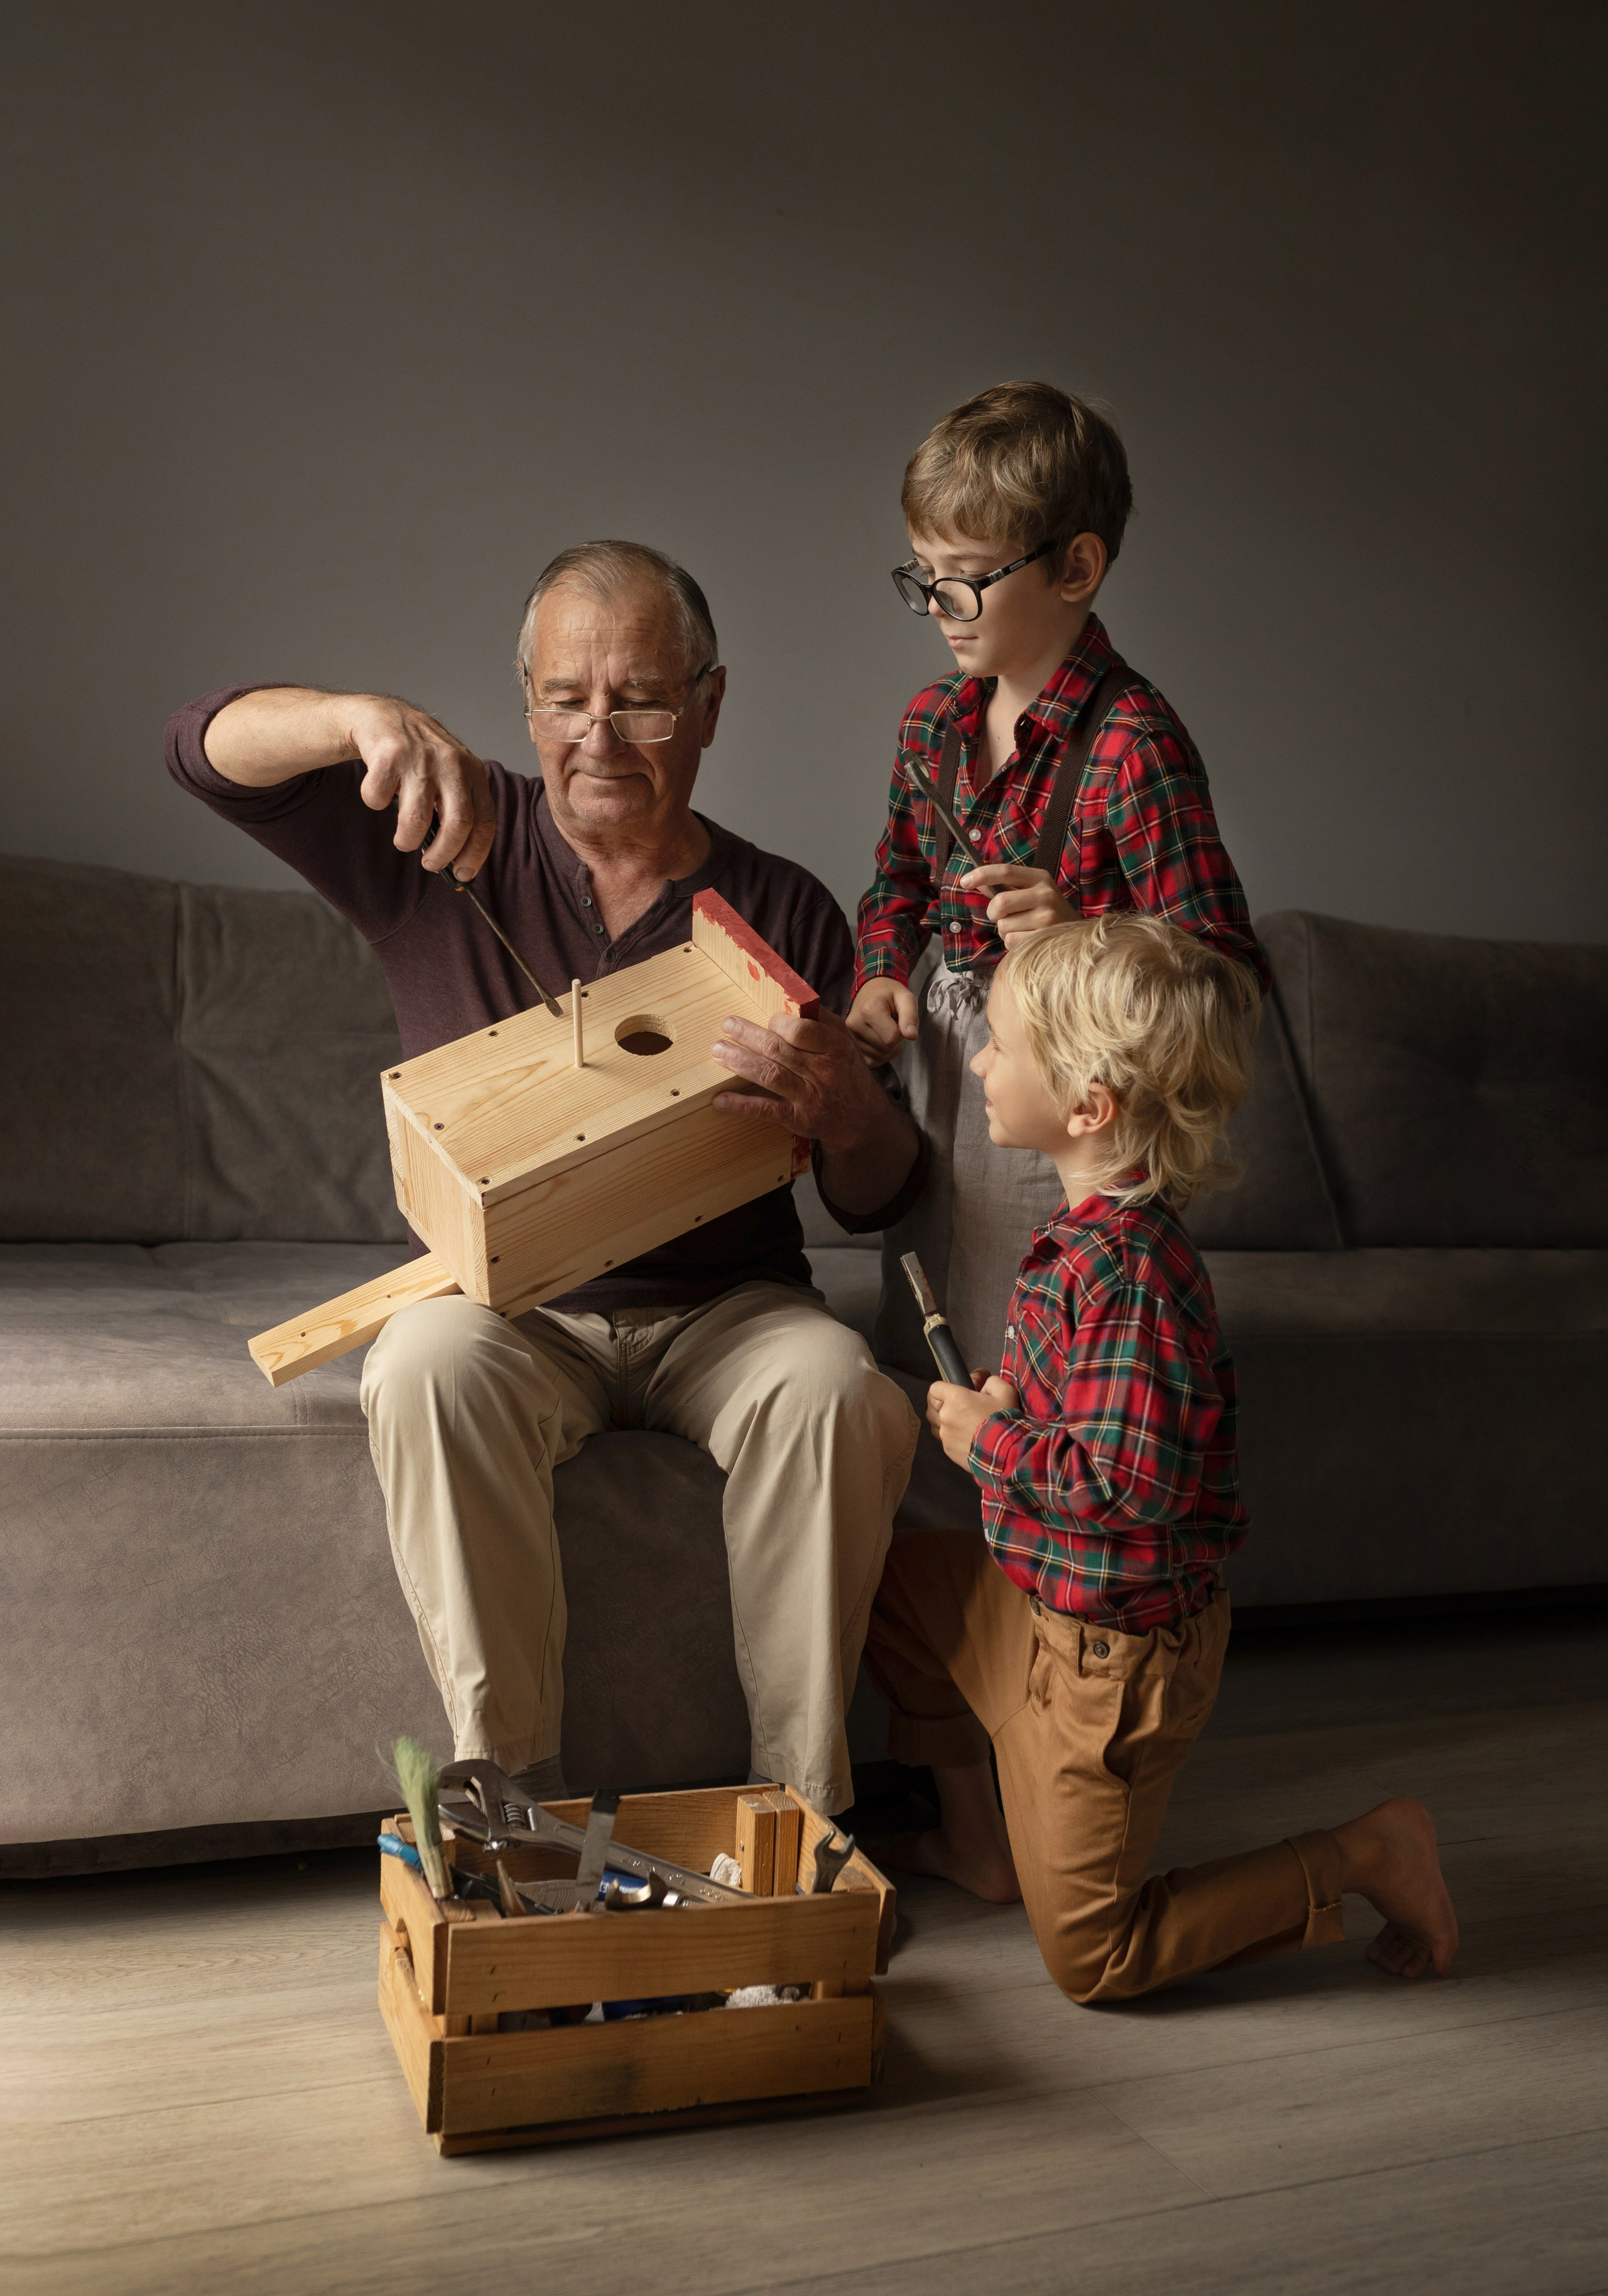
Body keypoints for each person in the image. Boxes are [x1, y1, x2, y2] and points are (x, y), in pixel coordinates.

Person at [165, 540, 923, 1815]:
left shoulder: (785, 907)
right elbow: (202, 749)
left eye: (639, 697)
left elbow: (873, 1196)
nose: (599, 734)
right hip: (513, 1306)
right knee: (418, 1361)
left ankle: (801, 1815)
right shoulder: (450, 837)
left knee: (840, 1387)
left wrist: (851, 1118)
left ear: (710, 707)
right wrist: (358, 717)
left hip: (726, 1308)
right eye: (565, 698)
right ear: (526, 705)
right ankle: (513, 1801)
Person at [864, 914, 1459, 2001]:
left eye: (997, 1044)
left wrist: (987, 1439)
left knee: (1097, 1959)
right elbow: (1083, 1404)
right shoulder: (1090, 1238)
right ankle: (981, 1842)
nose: (979, 1061)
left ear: (1089, 1108)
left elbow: (1128, 1486)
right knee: (882, 1588)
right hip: (1030, 1603)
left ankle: (1365, 1853)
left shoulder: (1130, 1277)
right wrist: (1013, 1397)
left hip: (1108, 1665)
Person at [847, 381, 1270, 1412]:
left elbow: (1228, 982)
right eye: (926, 577)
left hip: (1072, 1124)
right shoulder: (931, 725)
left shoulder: (1134, 746)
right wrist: (878, 977)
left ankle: (1043, 1569)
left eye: (967, 581)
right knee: (933, 1364)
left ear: (1076, 567)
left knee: (1043, 1386)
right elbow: (894, 883)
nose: (939, 609)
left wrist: (1087, 932)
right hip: (952, 1089)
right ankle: (953, 1568)